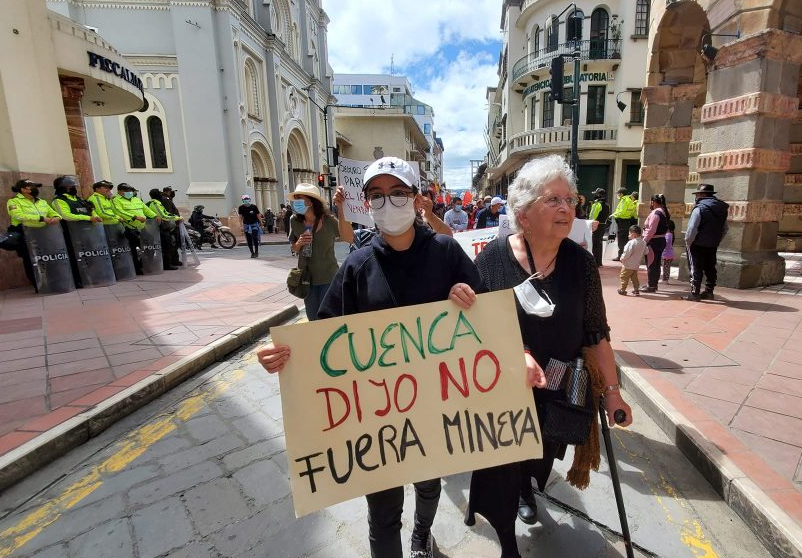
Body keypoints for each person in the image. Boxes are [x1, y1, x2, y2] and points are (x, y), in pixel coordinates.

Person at [258, 157, 480, 558]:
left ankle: (421, 536)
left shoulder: (446, 251)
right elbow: (324, 335)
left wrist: (465, 297)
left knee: (429, 485)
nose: (387, 202)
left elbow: (484, 314)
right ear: (366, 203)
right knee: (381, 512)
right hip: (376, 418)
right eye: (376, 195)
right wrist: (286, 356)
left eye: (397, 192)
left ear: (416, 200)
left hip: (435, 405)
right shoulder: (358, 265)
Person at [462, 154, 632, 558]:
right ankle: (508, 534)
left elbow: (595, 333)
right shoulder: (492, 260)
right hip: (505, 387)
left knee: (539, 456)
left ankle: (528, 484)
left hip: (558, 386)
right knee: (503, 465)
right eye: (552, 199)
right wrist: (516, 354)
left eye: (569, 199)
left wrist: (611, 391)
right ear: (523, 213)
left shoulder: (582, 264)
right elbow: (476, 330)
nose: (565, 208)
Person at [286, 183, 353, 320]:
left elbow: (349, 237)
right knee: (313, 318)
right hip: (306, 279)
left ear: (311, 202)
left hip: (329, 277)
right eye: (295, 199)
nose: (295, 202)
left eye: (300, 198)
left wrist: (341, 208)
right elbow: (293, 248)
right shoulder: (294, 220)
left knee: (328, 318)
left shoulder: (329, 221)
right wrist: (299, 243)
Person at [7, 179, 61, 291]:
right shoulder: (14, 202)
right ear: (23, 189)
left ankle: (53, 281)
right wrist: (41, 218)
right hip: (25, 233)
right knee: (31, 260)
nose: (35, 189)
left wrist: (56, 217)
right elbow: (19, 216)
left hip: (43, 233)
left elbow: (52, 212)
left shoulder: (41, 201)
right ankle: (39, 285)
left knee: (48, 257)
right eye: (32, 187)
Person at [51, 176, 102, 287]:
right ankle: (78, 280)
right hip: (71, 234)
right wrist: (88, 218)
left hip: (86, 233)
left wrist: (95, 216)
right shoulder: (59, 200)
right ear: (64, 188)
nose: (74, 188)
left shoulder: (79, 199)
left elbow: (91, 210)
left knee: (89, 256)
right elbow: (66, 216)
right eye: (71, 186)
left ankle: (90, 277)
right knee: (75, 257)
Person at [683, 184, 728, 301]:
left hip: (697, 244)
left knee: (695, 268)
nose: (696, 197)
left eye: (697, 194)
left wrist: (688, 242)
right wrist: (716, 240)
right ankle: (709, 291)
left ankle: (694, 293)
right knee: (710, 267)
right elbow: (725, 228)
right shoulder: (721, 209)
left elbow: (692, 228)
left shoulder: (699, 208)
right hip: (713, 243)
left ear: (702, 195)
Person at [112, 183, 157, 274]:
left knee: (149, 246)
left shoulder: (136, 199)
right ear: (120, 191)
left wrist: (155, 216)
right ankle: (136, 269)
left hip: (142, 228)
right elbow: (119, 212)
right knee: (133, 250)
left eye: (130, 191)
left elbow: (146, 210)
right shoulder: (116, 200)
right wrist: (135, 217)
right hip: (129, 228)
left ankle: (144, 264)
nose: (130, 192)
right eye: (127, 191)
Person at [640, 194, 670, 293]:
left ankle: (651, 286)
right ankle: (654, 284)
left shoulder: (656, 213)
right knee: (656, 264)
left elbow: (651, 230)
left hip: (653, 241)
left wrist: (644, 241)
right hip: (660, 240)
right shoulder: (664, 212)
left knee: (651, 263)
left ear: (653, 202)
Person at [148, 189, 182, 269]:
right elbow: (163, 215)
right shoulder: (155, 203)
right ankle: (167, 264)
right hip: (163, 227)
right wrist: (177, 218)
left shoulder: (158, 202)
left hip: (164, 227)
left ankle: (169, 263)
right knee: (167, 246)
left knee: (168, 245)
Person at [611, 187, 638, 260]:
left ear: (621, 194)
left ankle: (620, 256)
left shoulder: (624, 200)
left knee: (621, 240)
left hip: (622, 221)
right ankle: (626, 255)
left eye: (618, 193)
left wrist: (613, 215)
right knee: (626, 240)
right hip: (628, 221)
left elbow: (621, 211)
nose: (618, 195)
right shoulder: (630, 200)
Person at [617, 224, 644, 295]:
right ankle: (636, 289)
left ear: (633, 234)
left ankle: (622, 289)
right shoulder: (643, 242)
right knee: (634, 278)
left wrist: (622, 258)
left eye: (629, 233)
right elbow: (646, 251)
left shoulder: (631, 243)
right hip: (636, 264)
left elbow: (627, 253)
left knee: (624, 276)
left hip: (628, 264)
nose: (628, 235)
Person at [587, 188, 610, 266]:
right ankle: (599, 262)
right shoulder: (607, 205)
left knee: (594, 244)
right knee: (599, 244)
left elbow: (592, 216)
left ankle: (595, 262)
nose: (594, 195)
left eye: (595, 194)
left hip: (595, 225)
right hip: (603, 225)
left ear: (598, 195)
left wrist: (589, 223)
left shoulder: (597, 204)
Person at [662, 218, 676, 283]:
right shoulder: (671, 234)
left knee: (666, 267)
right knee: (666, 267)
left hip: (666, 254)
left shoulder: (668, 234)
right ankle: (665, 279)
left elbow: (666, 242)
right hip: (668, 253)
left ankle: (665, 279)